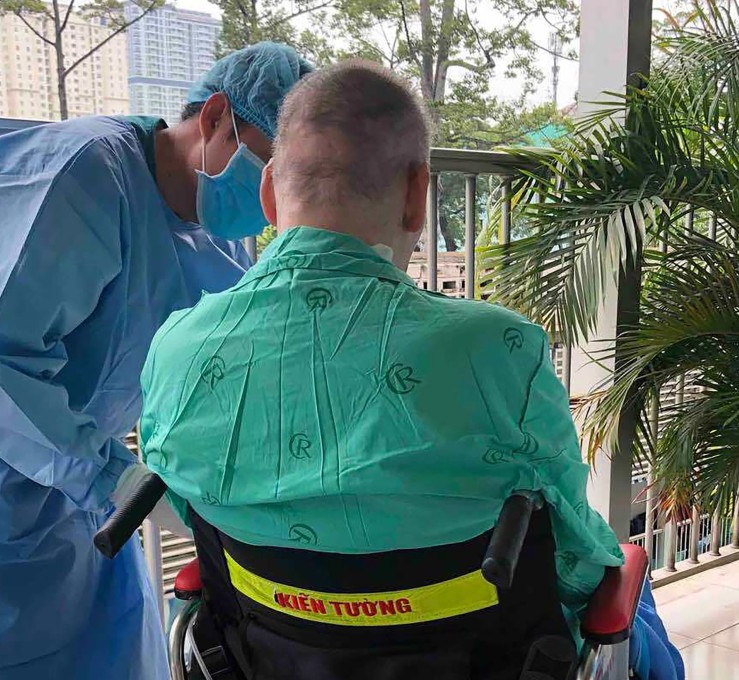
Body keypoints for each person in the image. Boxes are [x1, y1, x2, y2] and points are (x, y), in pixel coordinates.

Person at [139, 61, 683, 680]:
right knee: (630, 588)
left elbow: (202, 523)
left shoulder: (179, 348)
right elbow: (575, 558)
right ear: (418, 194)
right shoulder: (498, 350)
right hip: (484, 662)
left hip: (273, 656)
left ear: (268, 193)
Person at [0, 42, 312, 680]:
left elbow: (233, 363)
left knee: (115, 652)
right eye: (267, 163)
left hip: (81, 488)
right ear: (215, 117)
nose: (267, 194)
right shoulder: (78, 173)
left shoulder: (217, 243)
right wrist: (119, 484)